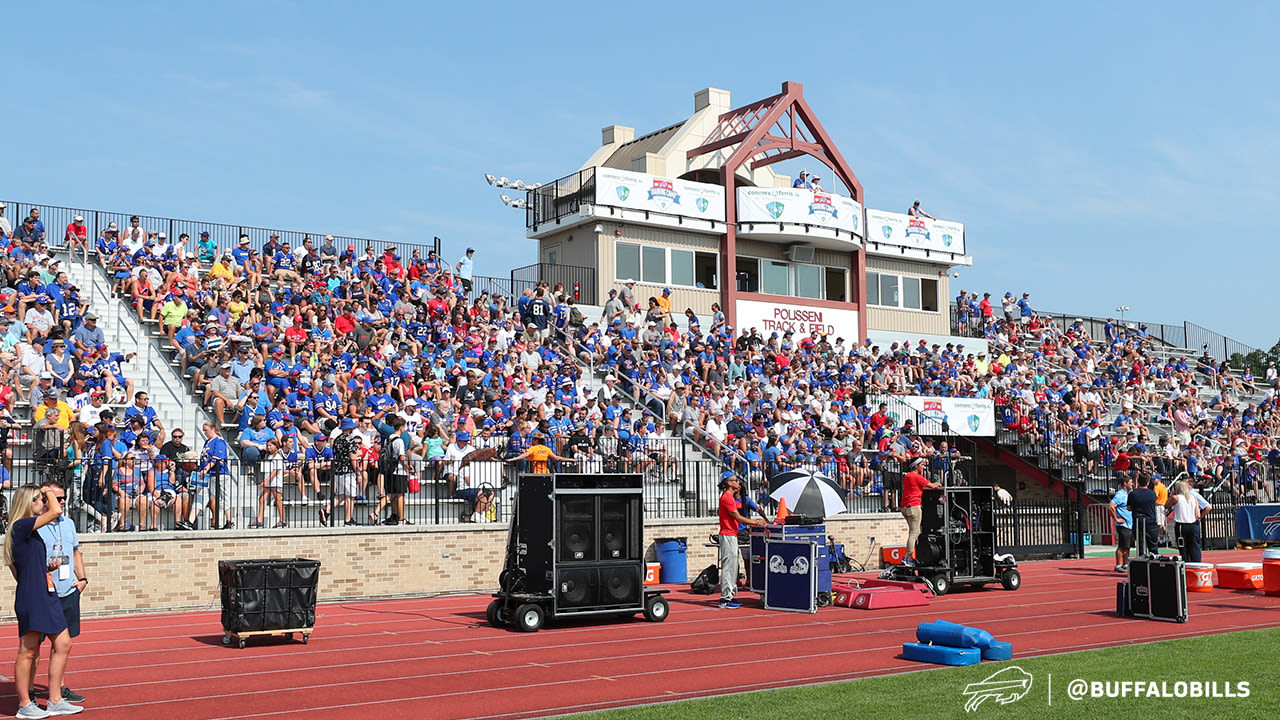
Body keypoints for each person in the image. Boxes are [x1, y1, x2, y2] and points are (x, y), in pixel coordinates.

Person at [5, 485, 84, 717]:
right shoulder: (21, 526)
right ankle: (24, 704)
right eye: (39, 499)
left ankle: (55, 699)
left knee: (63, 643)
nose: (45, 502)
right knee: (28, 650)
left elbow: (27, 563)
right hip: (33, 595)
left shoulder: (32, 530)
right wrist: (48, 489)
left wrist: (45, 568)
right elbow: (57, 511)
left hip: (45, 592)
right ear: (29, 503)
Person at [33, 480, 89, 707]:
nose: (63, 501)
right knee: (33, 645)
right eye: (59, 497)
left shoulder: (68, 523)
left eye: (64, 497)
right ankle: (28, 689)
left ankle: (59, 688)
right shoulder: (34, 525)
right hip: (44, 594)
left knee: (62, 646)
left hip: (67, 591)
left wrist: (83, 579)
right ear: (45, 499)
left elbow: (75, 553)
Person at [716, 473, 764, 609]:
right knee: (729, 567)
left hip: (732, 534)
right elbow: (737, 516)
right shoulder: (727, 497)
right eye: (735, 480)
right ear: (729, 483)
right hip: (727, 534)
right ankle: (725, 598)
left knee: (733, 567)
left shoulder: (729, 497)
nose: (738, 482)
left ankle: (729, 595)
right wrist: (755, 522)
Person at [900, 457, 941, 567]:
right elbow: (932, 486)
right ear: (916, 466)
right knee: (914, 533)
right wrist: (938, 483)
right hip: (914, 506)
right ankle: (908, 558)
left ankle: (909, 557)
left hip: (904, 506)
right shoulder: (917, 476)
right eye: (921, 465)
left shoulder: (907, 476)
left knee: (913, 532)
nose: (923, 467)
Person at [1166, 479, 1211, 563]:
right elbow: (1197, 514)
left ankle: (1185, 564)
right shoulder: (1193, 498)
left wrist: (1172, 494)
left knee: (1183, 547)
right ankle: (1196, 564)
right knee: (1194, 546)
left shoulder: (1176, 498)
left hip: (1181, 525)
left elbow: (1166, 506)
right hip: (1192, 524)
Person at [1126, 473, 1160, 556]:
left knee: (1140, 545)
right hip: (1150, 521)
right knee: (1153, 546)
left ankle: (1142, 562)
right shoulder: (1152, 493)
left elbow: (1129, 507)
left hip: (1138, 521)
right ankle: (1155, 563)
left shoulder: (1133, 494)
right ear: (1147, 482)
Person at [505, 431, 570, 474]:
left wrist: (513, 459)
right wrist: (570, 459)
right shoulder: (547, 449)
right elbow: (557, 458)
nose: (531, 441)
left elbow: (524, 455)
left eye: (533, 439)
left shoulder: (532, 449)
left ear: (536, 440)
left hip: (535, 473)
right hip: (546, 473)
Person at [1109, 475, 1134, 572]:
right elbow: (1111, 506)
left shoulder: (1127, 494)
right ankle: (1118, 565)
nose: (1132, 484)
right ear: (1125, 483)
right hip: (1123, 525)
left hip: (1129, 524)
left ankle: (1125, 564)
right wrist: (1116, 519)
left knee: (1127, 546)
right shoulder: (1120, 494)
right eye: (1130, 482)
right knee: (1122, 546)